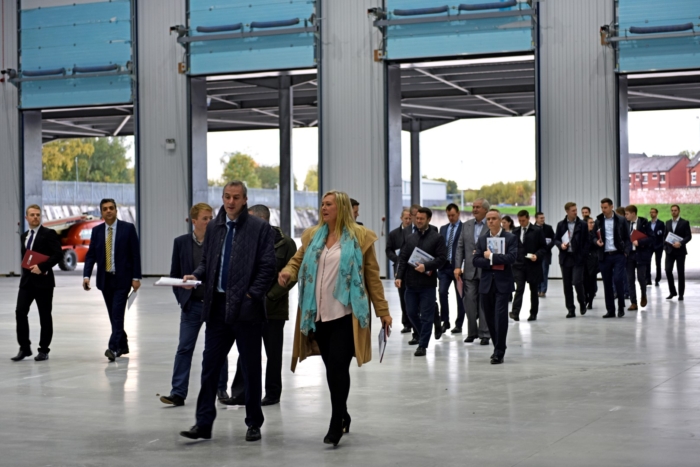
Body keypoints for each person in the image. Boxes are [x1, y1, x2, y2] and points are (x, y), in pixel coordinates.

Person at [279, 190, 391, 446]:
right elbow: (296, 261)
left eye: (328, 204)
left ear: (341, 208)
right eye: (322, 204)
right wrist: (287, 272)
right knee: (332, 369)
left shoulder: (361, 237)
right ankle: (343, 413)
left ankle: (335, 422)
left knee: (338, 367)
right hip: (317, 314)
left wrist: (383, 311)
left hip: (346, 315)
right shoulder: (312, 236)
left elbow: (372, 277)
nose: (323, 208)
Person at [179, 181, 276, 443]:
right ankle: (203, 424)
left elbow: (268, 267)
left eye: (236, 197)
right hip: (217, 309)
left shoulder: (259, 228)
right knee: (209, 367)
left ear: (245, 200)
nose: (230, 202)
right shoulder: (214, 227)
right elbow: (207, 262)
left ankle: (254, 423)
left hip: (247, 310)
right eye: (227, 197)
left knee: (251, 368)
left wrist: (251, 296)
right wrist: (196, 275)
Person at [225, 204, 298, 407]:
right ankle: (240, 393)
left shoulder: (285, 243)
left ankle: (272, 393)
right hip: (248, 306)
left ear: (262, 220)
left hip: (274, 308)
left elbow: (293, 274)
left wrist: (270, 296)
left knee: (273, 353)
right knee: (246, 351)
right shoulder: (243, 241)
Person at [160, 203, 229, 407]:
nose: (209, 221)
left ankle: (221, 388)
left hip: (215, 304)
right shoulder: (181, 243)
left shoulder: (220, 241)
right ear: (194, 221)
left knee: (217, 348)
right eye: (205, 218)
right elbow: (175, 273)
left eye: (211, 218)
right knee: (184, 347)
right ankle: (178, 392)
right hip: (192, 305)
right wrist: (183, 297)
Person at [83, 198, 142, 361]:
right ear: (101, 213)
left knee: (117, 314)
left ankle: (113, 348)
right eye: (105, 209)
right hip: (105, 280)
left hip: (123, 279)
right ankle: (123, 345)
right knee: (113, 316)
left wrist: (136, 277)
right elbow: (91, 255)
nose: (108, 211)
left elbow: (135, 254)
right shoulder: (97, 231)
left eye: (111, 208)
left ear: (116, 210)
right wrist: (86, 276)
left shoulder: (128, 229)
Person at [10, 205, 63, 362]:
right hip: (27, 282)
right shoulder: (24, 236)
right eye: (32, 215)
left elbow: (58, 254)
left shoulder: (49, 234)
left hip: (44, 282)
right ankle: (24, 348)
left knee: (44, 316)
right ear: (26, 218)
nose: (35, 217)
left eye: (38, 215)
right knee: (20, 312)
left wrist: (42, 267)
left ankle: (44, 350)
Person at [396, 207, 447, 356]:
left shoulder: (437, 238)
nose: (418, 221)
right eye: (417, 218)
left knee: (426, 316)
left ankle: (422, 345)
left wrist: (426, 266)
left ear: (429, 219)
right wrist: (399, 276)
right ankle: (423, 333)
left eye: (421, 219)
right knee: (411, 313)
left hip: (427, 284)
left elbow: (442, 259)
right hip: (411, 283)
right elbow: (403, 258)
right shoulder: (410, 238)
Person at [473, 209, 517, 364]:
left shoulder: (510, 238)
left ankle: (499, 351)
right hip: (486, 284)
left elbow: (511, 258)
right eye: (488, 219)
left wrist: (491, 256)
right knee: (490, 318)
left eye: (493, 218)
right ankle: (498, 345)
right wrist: (491, 261)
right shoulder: (482, 239)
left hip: (503, 283)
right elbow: (475, 260)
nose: (490, 221)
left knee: (500, 317)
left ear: (500, 221)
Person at [454, 198, 491, 345]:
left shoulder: (491, 224)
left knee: (484, 303)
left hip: (486, 270)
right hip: (469, 270)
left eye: (478, 207)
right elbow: (460, 247)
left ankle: (485, 333)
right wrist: (457, 266)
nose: (474, 209)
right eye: (473, 206)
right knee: (469, 301)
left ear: (485, 210)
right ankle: (471, 332)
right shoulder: (466, 225)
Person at [593, 198, 630, 318]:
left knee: (618, 280)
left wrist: (626, 252)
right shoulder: (598, 221)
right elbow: (593, 236)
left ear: (611, 207)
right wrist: (596, 241)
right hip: (604, 256)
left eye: (605, 207)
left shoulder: (621, 220)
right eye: (602, 208)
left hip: (618, 254)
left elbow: (627, 238)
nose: (603, 210)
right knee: (607, 283)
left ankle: (621, 307)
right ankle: (610, 310)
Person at [509, 210, 547, 321]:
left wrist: (537, 255)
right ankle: (515, 312)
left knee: (533, 290)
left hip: (533, 265)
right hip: (519, 265)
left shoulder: (537, 231)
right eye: (520, 221)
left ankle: (533, 313)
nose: (521, 223)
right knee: (519, 288)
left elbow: (544, 247)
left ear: (528, 218)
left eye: (523, 220)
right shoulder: (515, 231)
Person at [554, 202, 588, 318]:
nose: (575, 212)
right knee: (567, 285)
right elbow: (556, 239)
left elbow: (587, 241)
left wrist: (583, 254)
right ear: (567, 211)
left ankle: (582, 302)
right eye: (573, 210)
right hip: (565, 257)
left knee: (577, 282)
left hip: (578, 257)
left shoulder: (582, 224)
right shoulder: (561, 225)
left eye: (576, 210)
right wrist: (560, 245)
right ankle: (570, 309)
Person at [438, 203, 465, 333]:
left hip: (458, 267)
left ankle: (459, 324)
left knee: (460, 296)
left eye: (453, 215)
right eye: (448, 215)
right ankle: (445, 321)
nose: (451, 218)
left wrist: (462, 266)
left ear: (458, 213)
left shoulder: (465, 228)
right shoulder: (443, 229)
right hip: (444, 267)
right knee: (442, 292)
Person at [386, 208, 413, 334]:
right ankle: (406, 323)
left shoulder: (415, 233)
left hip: (413, 268)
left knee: (413, 296)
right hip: (399, 268)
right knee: (402, 296)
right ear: (401, 218)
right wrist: (397, 259)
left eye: (410, 218)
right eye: (406, 218)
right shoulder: (394, 234)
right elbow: (388, 250)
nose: (408, 221)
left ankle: (415, 321)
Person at [624, 205, 653, 311]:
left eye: (627, 214)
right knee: (630, 279)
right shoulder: (625, 224)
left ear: (633, 213)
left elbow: (651, 238)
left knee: (641, 277)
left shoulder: (644, 223)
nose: (625, 216)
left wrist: (639, 242)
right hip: (630, 255)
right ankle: (633, 302)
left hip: (641, 254)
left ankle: (643, 295)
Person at [664, 204, 692, 301]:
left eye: (675, 210)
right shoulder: (667, 223)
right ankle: (672, 292)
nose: (673, 212)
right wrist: (665, 247)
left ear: (679, 211)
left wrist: (680, 243)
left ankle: (681, 294)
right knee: (668, 270)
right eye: (672, 210)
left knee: (680, 273)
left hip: (680, 251)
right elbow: (665, 236)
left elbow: (688, 236)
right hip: (669, 251)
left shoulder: (684, 222)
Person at [534, 212, 555, 298]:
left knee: (544, 272)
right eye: (541, 218)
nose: (543, 219)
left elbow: (554, 239)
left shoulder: (548, 228)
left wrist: (547, 247)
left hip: (545, 253)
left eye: (543, 218)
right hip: (536, 254)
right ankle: (537, 289)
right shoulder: (532, 228)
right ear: (536, 219)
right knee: (536, 272)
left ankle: (543, 290)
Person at [645, 208, 665, 287]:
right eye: (650, 212)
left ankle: (657, 279)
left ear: (656, 213)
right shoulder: (648, 224)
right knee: (647, 262)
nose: (652, 214)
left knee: (658, 263)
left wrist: (662, 244)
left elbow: (663, 234)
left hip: (658, 246)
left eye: (653, 212)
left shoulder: (661, 223)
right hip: (649, 246)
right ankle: (648, 279)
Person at [583, 216, 599, 309]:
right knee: (583, 282)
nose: (592, 224)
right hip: (583, 261)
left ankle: (590, 301)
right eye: (590, 223)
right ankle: (585, 298)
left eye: (593, 222)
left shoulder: (595, 234)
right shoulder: (582, 234)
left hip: (593, 261)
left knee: (591, 282)